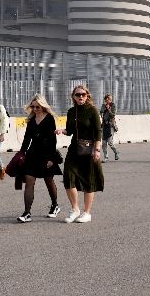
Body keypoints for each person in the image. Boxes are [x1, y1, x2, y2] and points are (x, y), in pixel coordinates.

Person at [58, 85, 104, 223]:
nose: (81, 97)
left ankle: (87, 212)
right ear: (73, 97)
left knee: (88, 179)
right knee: (68, 177)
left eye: (83, 94)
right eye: (78, 95)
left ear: (87, 95)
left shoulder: (92, 110)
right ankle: (75, 209)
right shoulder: (72, 111)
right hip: (74, 148)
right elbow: (70, 130)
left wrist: (97, 150)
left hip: (89, 149)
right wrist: (62, 131)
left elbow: (98, 131)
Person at [16, 94, 62, 223]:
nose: (35, 109)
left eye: (38, 107)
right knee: (29, 182)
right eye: (33, 106)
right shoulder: (31, 120)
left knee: (49, 181)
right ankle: (27, 213)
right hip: (32, 154)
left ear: (43, 106)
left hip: (47, 155)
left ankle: (55, 205)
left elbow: (53, 140)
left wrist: (51, 159)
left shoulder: (49, 119)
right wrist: (21, 154)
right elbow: (27, 139)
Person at [100, 94, 120, 162]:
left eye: (108, 99)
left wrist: (108, 109)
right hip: (104, 126)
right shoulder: (103, 105)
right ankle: (106, 157)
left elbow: (113, 115)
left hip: (110, 126)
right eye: (106, 99)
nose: (107, 100)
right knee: (103, 143)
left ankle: (116, 152)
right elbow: (101, 112)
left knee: (110, 142)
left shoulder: (113, 105)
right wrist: (104, 109)